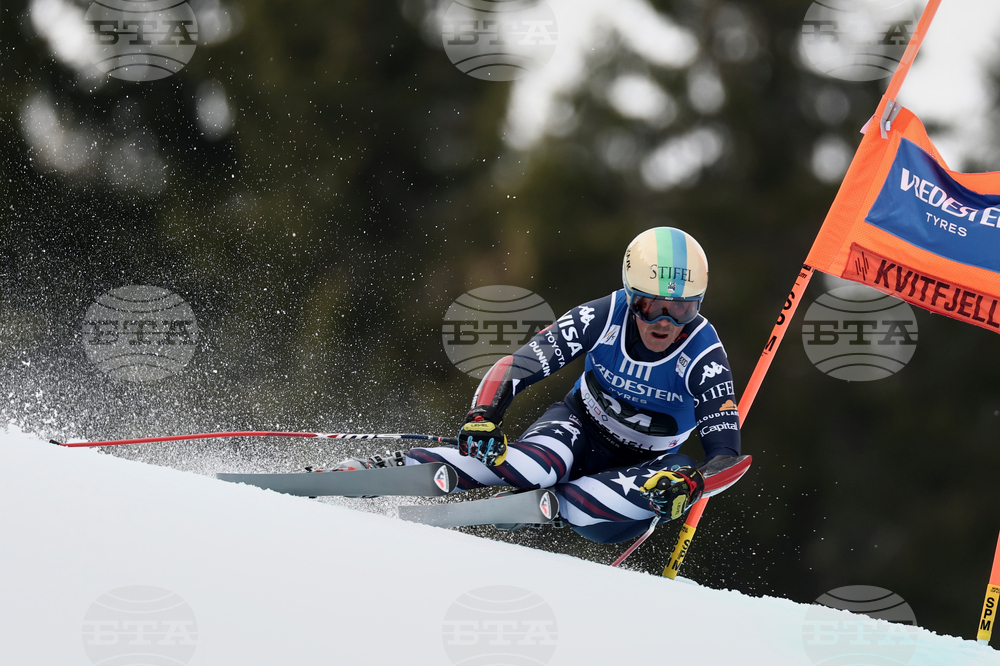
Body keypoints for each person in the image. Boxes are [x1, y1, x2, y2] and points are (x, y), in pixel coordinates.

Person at [338, 227, 741, 544]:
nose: (665, 322)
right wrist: (484, 415)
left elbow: (729, 456)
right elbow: (522, 363)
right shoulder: (603, 316)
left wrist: (695, 483)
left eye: (683, 309)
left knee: (656, 485)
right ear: (631, 295)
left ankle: (551, 504)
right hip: (579, 427)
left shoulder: (705, 356)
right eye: (651, 306)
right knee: (534, 467)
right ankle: (387, 468)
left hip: (641, 467)